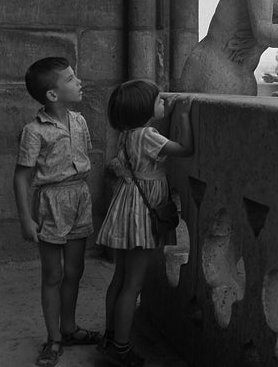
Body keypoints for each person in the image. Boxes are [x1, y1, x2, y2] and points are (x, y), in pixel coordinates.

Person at [96, 80, 193, 367]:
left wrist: (162, 110)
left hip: (126, 207)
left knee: (119, 279)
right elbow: (184, 149)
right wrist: (184, 116)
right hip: (141, 214)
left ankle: (110, 336)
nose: (163, 101)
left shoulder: (127, 134)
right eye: (158, 99)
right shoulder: (148, 135)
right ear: (144, 110)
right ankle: (122, 349)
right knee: (133, 285)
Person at [13, 57, 100, 367]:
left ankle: (69, 327)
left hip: (79, 197)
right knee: (54, 274)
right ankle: (53, 338)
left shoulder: (80, 121)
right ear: (52, 94)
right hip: (52, 201)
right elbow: (22, 176)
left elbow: (83, 158)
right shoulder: (34, 131)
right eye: (71, 79)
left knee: (75, 271)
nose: (79, 82)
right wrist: (26, 218)